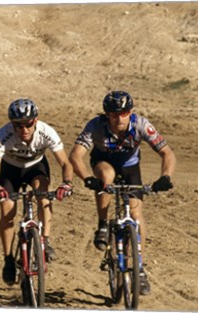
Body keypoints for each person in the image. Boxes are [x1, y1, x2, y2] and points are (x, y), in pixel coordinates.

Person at [69, 91, 176, 296]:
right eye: (114, 114)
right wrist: (87, 179)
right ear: (106, 114)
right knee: (106, 178)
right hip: (103, 163)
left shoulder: (141, 125)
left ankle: (140, 268)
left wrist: (166, 177)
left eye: (124, 113)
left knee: (136, 217)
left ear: (130, 112)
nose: (119, 118)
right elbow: (75, 155)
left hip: (130, 168)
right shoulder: (96, 126)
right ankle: (102, 225)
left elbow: (167, 153)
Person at [0, 98, 74, 285]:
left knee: (43, 195)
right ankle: (9, 258)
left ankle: (46, 240)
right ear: (12, 124)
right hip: (11, 171)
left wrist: (67, 183)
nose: (23, 130)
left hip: (35, 167)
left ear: (36, 120)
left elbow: (65, 163)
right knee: (8, 212)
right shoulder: (3, 135)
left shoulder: (46, 132)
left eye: (28, 124)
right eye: (18, 125)